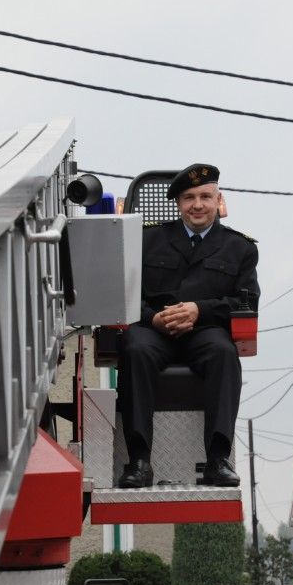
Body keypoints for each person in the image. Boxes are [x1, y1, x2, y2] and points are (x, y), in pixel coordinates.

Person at [117, 163, 259, 488]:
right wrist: (152, 317)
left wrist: (199, 311)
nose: (197, 204)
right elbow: (122, 293)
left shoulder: (241, 248)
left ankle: (217, 460)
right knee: (134, 348)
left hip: (205, 332)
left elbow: (246, 302)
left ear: (218, 199)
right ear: (178, 203)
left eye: (205, 196)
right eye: (189, 197)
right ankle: (139, 461)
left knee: (225, 353)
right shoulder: (146, 240)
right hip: (154, 328)